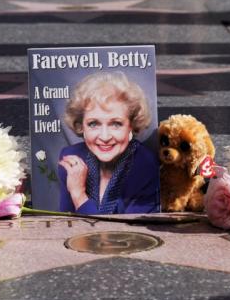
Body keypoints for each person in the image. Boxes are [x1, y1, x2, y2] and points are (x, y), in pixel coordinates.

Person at [57, 72, 159, 215]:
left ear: (131, 125)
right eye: (93, 124)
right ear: (81, 126)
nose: (104, 137)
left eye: (116, 124)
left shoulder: (145, 165)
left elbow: (124, 233)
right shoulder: (72, 159)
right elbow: (64, 224)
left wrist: (79, 195)